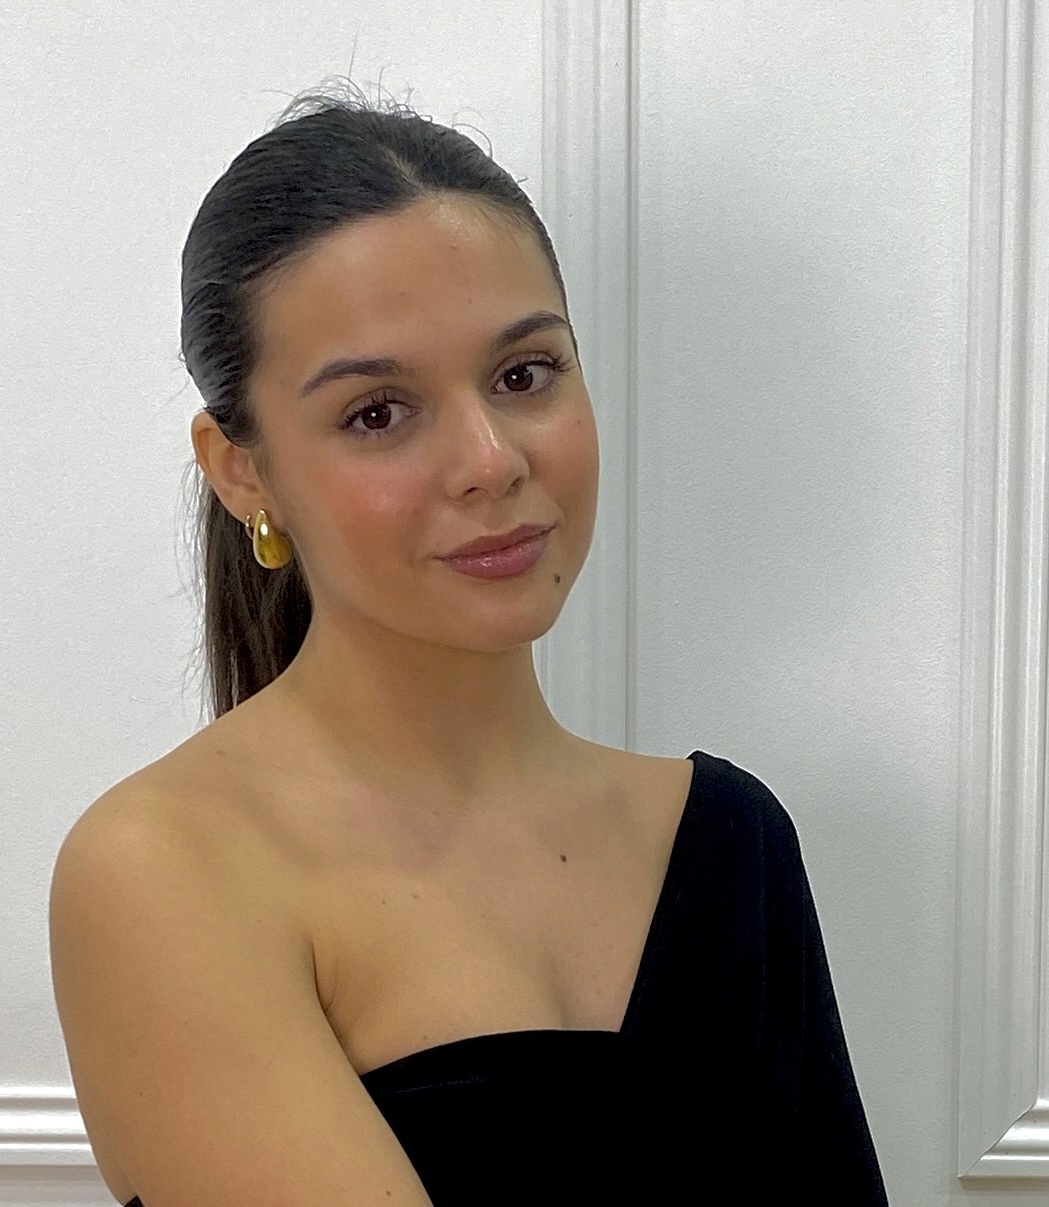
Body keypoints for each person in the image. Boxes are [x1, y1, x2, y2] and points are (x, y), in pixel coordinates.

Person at [48, 78, 889, 1205]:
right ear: (241, 469)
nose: (491, 459)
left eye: (522, 375)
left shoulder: (731, 840)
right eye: (378, 412)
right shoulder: (163, 868)